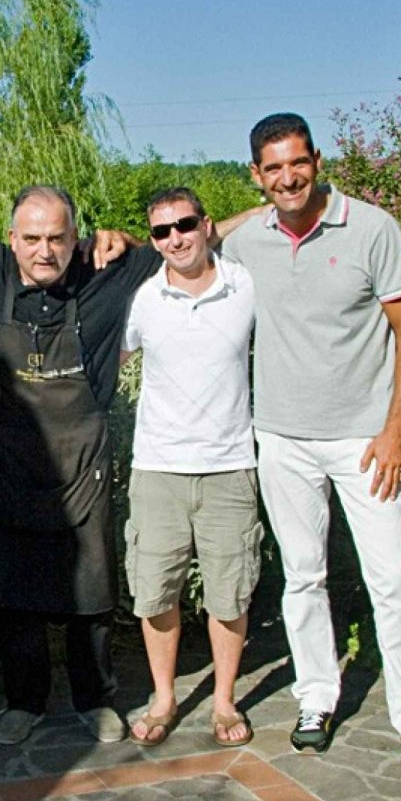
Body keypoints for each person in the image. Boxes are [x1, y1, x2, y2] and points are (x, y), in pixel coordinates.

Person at [221, 112, 401, 784]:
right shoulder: (250, 243)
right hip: (284, 439)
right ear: (257, 175)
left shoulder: (374, 229)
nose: (289, 178)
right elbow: (199, 244)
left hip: (364, 439)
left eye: (298, 163)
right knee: (302, 576)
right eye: (273, 169)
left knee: (391, 581)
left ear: (317, 160)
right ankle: (316, 699)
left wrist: (395, 431)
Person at [0, 186, 163, 745]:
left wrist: (123, 237)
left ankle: (95, 699)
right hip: (12, 463)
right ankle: (24, 703)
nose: (44, 250)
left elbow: (189, 239)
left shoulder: (108, 271)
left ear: (76, 238)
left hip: (83, 463)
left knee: (91, 594)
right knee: (17, 597)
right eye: (31, 238)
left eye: (57, 238)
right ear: (11, 239)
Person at [119, 187, 260, 748]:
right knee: (156, 593)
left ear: (207, 226)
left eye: (185, 225)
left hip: (230, 465)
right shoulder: (143, 300)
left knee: (230, 593)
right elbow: (114, 357)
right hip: (157, 469)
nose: (175, 238)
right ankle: (164, 696)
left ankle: (224, 701)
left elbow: (264, 216)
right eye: (161, 231)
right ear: (153, 240)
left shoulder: (245, 284)